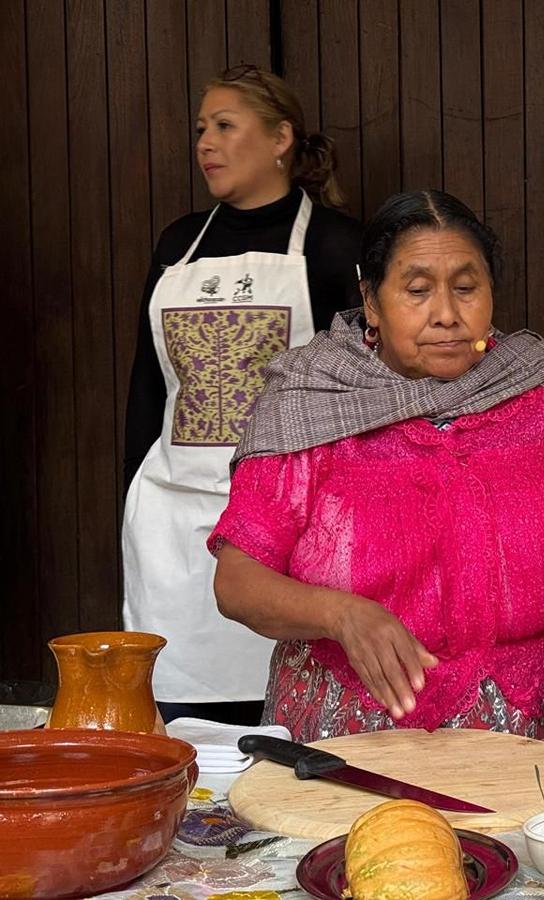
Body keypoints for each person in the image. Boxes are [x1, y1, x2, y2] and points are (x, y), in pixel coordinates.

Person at [207, 190, 544, 752]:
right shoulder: (311, 404)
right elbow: (237, 582)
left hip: (534, 736)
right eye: (418, 290)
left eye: (467, 288)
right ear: (371, 302)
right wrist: (341, 615)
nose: (447, 314)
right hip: (351, 744)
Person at [122, 65, 362, 725]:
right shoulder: (179, 244)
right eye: (201, 129)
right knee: (183, 728)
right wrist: (132, 495)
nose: (206, 143)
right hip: (173, 530)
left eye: (225, 126)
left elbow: (366, 395)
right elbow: (149, 385)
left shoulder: (334, 246)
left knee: (286, 727)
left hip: (285, 532)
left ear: (281, 137)